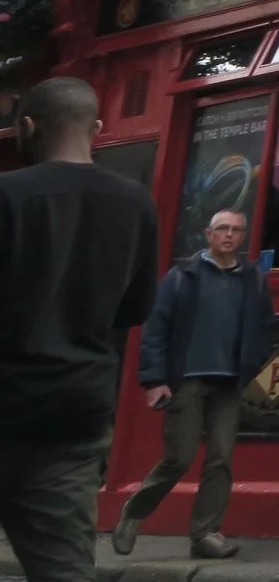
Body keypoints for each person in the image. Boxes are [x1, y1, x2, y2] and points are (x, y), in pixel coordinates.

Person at [0, 77, 160, 582]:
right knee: (64, 568)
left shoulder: (8, 195)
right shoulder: (136, 204)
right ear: (95, 128)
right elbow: (133, 309)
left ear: (26, 127)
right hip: (75, 415)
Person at [115, 207, 276, 559]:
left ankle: (206, 534)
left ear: (244, 236)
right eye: (222, 229)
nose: (229, 235)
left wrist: (255, 361)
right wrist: (154, 380)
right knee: (179, 457)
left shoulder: (254, 279)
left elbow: (266, 326)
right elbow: (155, 329)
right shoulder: (182, 275)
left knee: (221, 458)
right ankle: (134, 512)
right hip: (186, 381)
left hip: (229, 383)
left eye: (236, 230)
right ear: (208, 234)